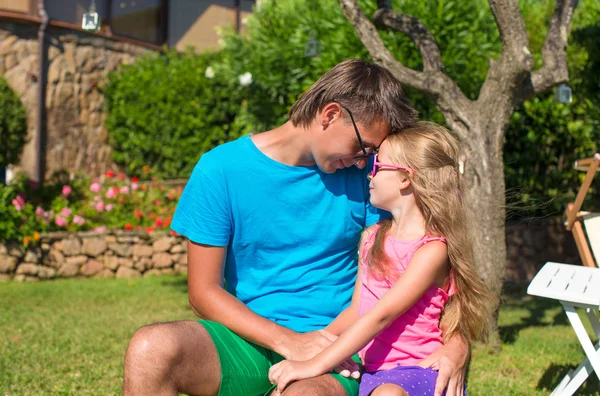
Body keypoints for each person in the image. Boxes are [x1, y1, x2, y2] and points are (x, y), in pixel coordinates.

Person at [122, 60, 470, 396]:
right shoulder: (219, 170)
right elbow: (203, 292)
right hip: (247, 342)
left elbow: (422, 277)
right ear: (330, 114)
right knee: (149, 350)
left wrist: (458, 345)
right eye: (362, 146)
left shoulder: (373, 181)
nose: (365, 161)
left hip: (337, 350)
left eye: (374, 154)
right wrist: (288, 341)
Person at [268, 122, 496, 396]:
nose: (368, 174)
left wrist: (314, 365)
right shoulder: (372, 238)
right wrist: (315, 347)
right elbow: (357, 311)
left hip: (421, 371)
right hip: (376, 375)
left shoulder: (432, 250)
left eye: (376, 165)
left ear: (405, 178)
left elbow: (381, 316)